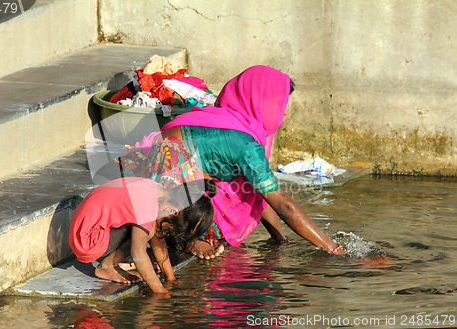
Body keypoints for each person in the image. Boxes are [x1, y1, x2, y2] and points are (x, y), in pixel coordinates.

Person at [156, 65, 346, 258]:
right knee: (211, 223)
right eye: (281, 105)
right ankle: (184, 241)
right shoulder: (244, 143)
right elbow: (283, 204)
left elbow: (261, 193)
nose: (285, 112)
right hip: (162, 190)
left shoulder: (224, 118)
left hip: (160, 171)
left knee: (252, 183)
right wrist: (335, 250)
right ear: (260, 101)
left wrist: (281, 242)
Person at [69, 177, 217, 294]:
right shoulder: (148, 206)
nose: (167, 231)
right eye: (171, 227)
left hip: (83, 231)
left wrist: (170, 278)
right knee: (148, 231)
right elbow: (138, 252)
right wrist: (160, 291)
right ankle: (106, 267)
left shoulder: (154, 188)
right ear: (173, 211)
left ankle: (109, 265)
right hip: (88, 241)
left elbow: (157, 241)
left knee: (151, 229)